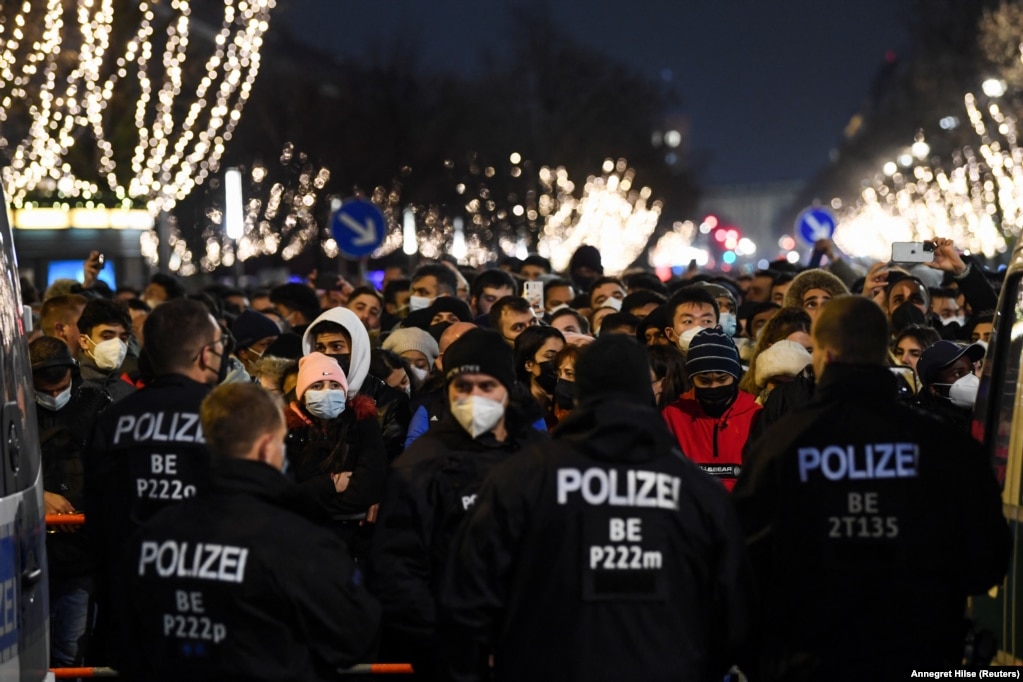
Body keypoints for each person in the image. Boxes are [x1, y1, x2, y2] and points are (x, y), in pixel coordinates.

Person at [440, 334, 753, 681]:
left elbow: (468, 596)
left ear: (581, 391)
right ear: (646, 389)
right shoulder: (696, 490)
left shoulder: (524, 478)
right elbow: (734, 610)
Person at [733, 295, 1009, 680]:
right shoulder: (941, 445)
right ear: (881, 352)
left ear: (825, 356)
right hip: (918, 656)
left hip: (808, 661)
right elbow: (987, 560)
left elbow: (742, 568)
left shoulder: (782, 446)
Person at [118, 383, 380, 680]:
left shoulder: (151, 536)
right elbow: (354, 634)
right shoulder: (297, 541)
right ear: (268, 446)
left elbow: (127, 638)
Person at [370, 329, 548, 677]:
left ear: (508, 390)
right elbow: (397, 570)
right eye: (462, 387)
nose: (474, 397)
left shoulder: (540, 460)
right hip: (451, 656)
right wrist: (445, 643)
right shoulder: (419, 465)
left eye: (486, 386)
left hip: (531, 649)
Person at [84, 298, 230, 663]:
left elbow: (97, 514)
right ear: (205, 354)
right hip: (213, 603)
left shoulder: (114, 419)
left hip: (130, 602)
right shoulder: (232, 416)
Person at [31, 337, 112, 667]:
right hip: (25, 553)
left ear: (73, 374)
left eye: (59, 387)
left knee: (69, 651)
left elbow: (110, 472)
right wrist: (39, 496)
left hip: (78, 555)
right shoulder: (13, 406)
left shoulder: (97, 405)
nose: (53, 396)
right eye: (44, 388)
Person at [285, 352, 387, 559]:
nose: (327, 392)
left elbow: (367, 490)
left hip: (353, 541)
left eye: (334, 385)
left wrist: (310, 502)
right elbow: (287, 493)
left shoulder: (363, 422)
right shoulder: (288, 430)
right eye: (317, 386)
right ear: (302, 393)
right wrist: (330, 484)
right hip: (303, 541)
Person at [662, 328, 760, 490]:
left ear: (735, 376)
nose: (714, 386)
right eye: (704, 380)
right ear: (692, 379)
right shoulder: (673, 415)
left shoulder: (755, 413)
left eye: (722, 379)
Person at [913, 339, 986, 432]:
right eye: (957, 374)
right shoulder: (922, 427)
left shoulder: (978, 415)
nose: (971, 378)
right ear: (934, 389)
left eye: (971, 370)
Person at [75, 297, 136, 402]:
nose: (117, 345)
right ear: (84, 341)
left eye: (123, 338)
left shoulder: (130, 393)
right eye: (107, 337)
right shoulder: (67, 390)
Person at [514, 325, 566, 429]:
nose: (559, 363)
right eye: (550, 357)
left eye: (562, 356)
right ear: (528, 364)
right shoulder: (515, 408)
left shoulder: (568, 403)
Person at [230, 309, 280, 375]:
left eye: (277, 343)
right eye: (266, 344)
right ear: (243, 352)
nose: (274, 349)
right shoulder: (230, 381)